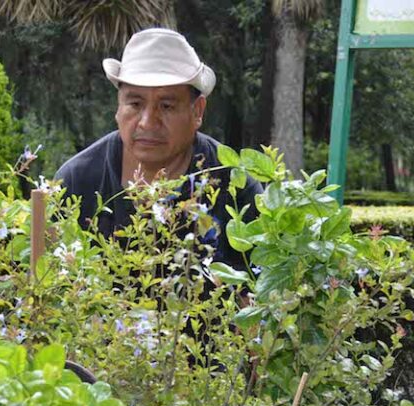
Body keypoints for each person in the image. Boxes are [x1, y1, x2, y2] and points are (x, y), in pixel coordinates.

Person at [55, 28, 262, 270]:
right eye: (134, 103)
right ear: (118, 107)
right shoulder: (77, 181)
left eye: (166, 106)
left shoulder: (235, 186)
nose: (147, 122)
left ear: (198, 111)